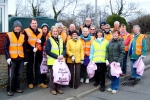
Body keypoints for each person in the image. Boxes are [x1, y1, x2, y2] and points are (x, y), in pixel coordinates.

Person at [4, 20, 28, 96]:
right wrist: (7, 57)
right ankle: (10, 89)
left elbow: (25, 48)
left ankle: (17, 87)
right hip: (12, 59)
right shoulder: (9, 35)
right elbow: (5, 47)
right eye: (16, 26)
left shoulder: (23, 36)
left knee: (19, 74)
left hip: (20, 58)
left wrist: (26, 59)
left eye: (19, 27)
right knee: (11, 74)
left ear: (20, 27)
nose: (18, 28)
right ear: (14, 27)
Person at [23, 18, 47, 89]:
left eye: (35, 23)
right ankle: (30, 82)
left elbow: (44, 38)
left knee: (38, 67)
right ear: (30, 24)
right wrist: (32, 48)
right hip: (30, 52)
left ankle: (39, 82)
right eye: (33, 23)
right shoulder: (26, 31)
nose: (34, 24)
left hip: (38, 51)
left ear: (37, 24)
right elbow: (25, 42)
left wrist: (41, 41)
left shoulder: (40, 30)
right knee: (30, 67)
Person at [45, 26, 66, 95]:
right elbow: (47, 51)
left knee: (60, 74)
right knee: (53, 75)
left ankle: (59, 88)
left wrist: (62, 55)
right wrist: (57, 56)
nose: (55, 32)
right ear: (51, 32)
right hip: (52, 61)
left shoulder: (61, 39)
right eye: (54, 31)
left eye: (56, 31)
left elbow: (65, 49)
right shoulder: (49, 40)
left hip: (60, 61)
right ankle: (53, 88)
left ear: (58, 32)